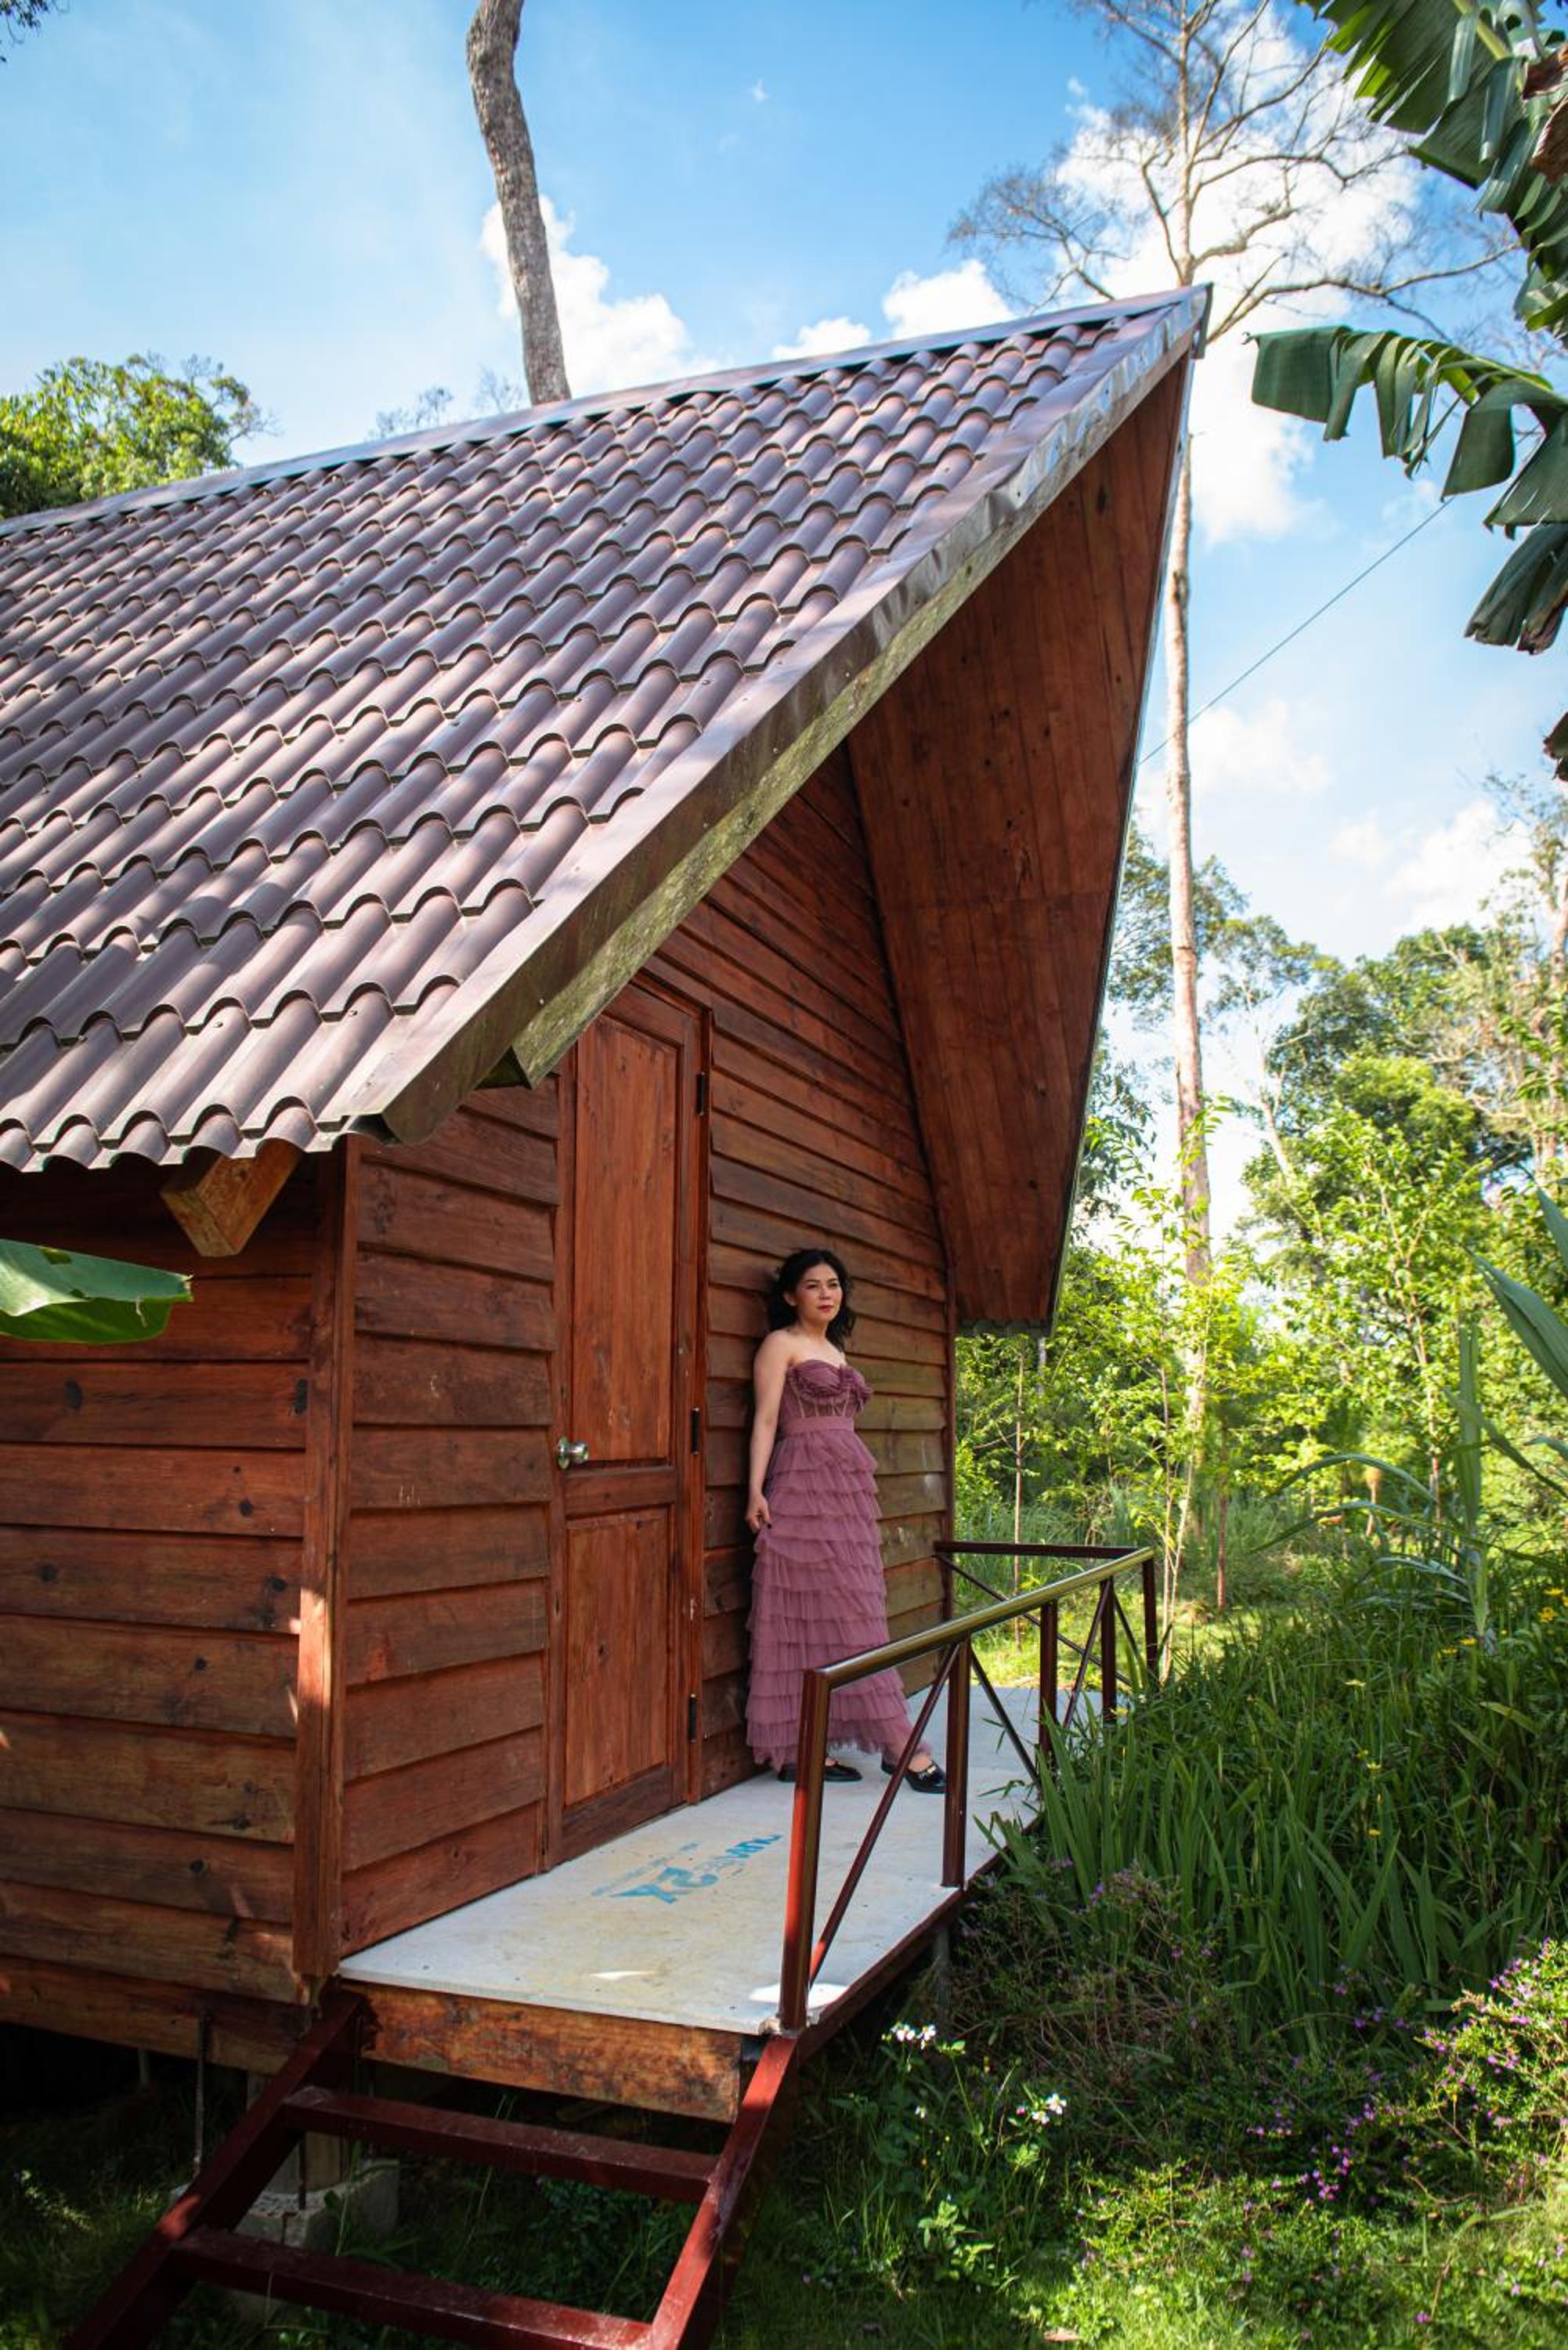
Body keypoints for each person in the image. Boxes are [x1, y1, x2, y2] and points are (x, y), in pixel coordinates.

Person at [744, 1246, 946, 1791]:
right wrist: (754, 1490)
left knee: (854, 1610)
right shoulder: (780, 1345)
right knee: (807, 1612)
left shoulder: (836, 1349)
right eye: (813, 1285)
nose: (826, 1294)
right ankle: (894, 1746)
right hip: (802, 1487)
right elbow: (766, 1421)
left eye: (833, 1284)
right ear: (791, 1295)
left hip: (849, 1495)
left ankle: (814, 1745)